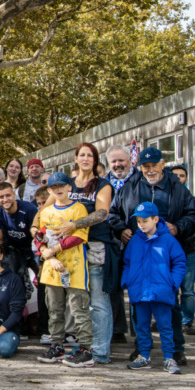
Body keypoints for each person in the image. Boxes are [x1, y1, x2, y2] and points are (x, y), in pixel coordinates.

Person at [108, 145, 195, 366]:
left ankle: (176, 349)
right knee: (138, 306)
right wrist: (121, 230)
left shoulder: (177, 188)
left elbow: (193, 214)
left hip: (166, 253)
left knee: (171, 306)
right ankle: (141, 347)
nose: (149, 170)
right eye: (145, 166)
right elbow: (113, 213)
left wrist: (178, 227)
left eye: (153, 165)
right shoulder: (129, 186)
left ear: (162, 164)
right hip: (138, 253)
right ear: (140, 166)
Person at [61, 142, 116, 364]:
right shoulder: (67, 185)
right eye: (81, 155)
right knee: (78, 302)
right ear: (75, 159)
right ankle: (85, 346)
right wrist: (37, 226)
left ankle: (101, 351)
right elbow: (47, 207)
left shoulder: (102, 184)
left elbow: (102, 213)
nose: (85, 159)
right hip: (70, 250)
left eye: (90, 156)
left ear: (95, 160)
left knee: (98, 301)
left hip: (95, 247)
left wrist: (74, 225)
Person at [35, 173, 94, 367]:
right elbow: (40, 236)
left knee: (78, 309)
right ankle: (57, 345)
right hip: (52, 269)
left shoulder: (79, 209)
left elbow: (79, 236)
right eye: (54, 187)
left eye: (63, 185)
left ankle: (86, 348)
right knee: (54, 310)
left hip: (75, 267)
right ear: (49, 190)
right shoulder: (46, 212)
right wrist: (46, 253)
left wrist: (54, 249)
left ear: (70, 187)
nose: (58, 189)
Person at [122, 203, 186, 374]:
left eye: (145, 221)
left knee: (165, 326)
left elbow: (179, 263)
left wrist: (172, 283)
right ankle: (143, 356)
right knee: (141, 326)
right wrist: (127, 281)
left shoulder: (168, 240)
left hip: (161, 291)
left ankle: (169, 358)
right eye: (138, 221)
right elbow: (127, 262)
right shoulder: (135, 240)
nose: (141, 224)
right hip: (140, 291)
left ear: (155, 219)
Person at [0, 181, 38, 283]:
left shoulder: (29, 209)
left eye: (8, 195)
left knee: (41, 277)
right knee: (12, 278)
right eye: (1, 197)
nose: (5, 199)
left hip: (31, 248)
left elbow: (36, 235)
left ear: (14, 194)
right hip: (13, 250)